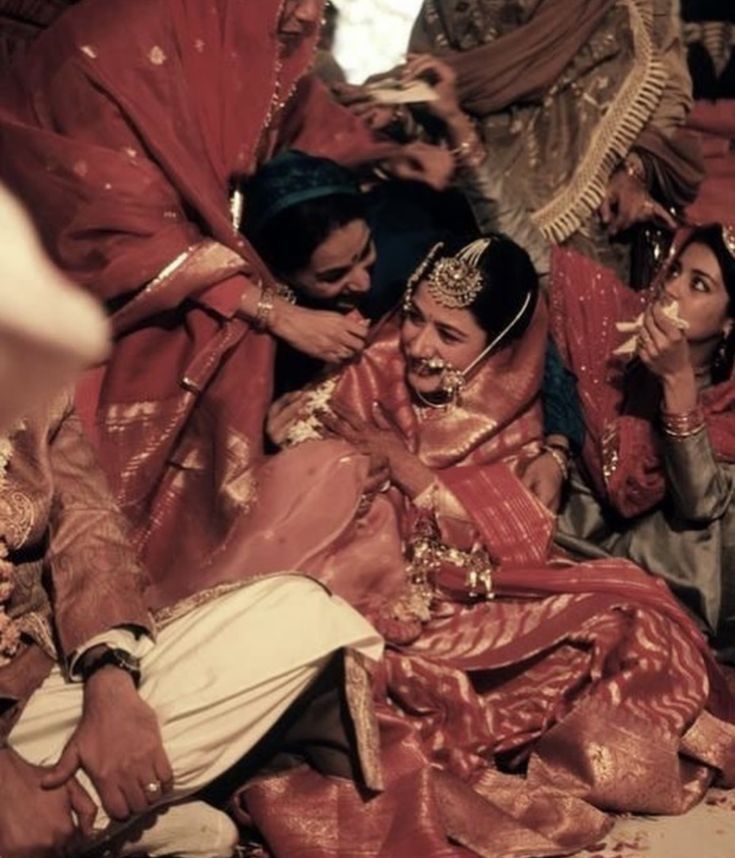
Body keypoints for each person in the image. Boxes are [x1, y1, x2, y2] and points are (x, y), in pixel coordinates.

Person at [187, 234, 735, 856]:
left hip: (480, 586)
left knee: (634, 630)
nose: (419, 345)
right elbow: (305, 479)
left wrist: (415, 473)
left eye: (449, 336)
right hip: (354, 578)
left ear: (498, 347)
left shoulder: (519, 407)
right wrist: (299, 445)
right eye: (416, 317)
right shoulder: (372, 366)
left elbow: (514, 542)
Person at [0, 0, 455, 603]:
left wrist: (380, 152)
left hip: (176, 249)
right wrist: (274, 312)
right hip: (66, 269)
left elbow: (280, 111)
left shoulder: (225, 29)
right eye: (298, 1)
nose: (309, 16)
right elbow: (112, 231)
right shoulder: (114, 54)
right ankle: (143, 566)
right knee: (222, 324)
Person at [0, 390, 382, 858]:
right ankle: (71, 826)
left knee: (299, 614)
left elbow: (88, 532)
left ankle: (66, 816)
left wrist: (111, 684)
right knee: (205, 837)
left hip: (31, 687)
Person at [246, 149, 584, 506]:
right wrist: (274, 444)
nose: (362, 282)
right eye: (333, 276)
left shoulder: (408, 254)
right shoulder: (273, 343)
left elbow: (515, 325)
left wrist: (560, 448)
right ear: (283, 277)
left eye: (363, 253)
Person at [399, 0, 703, 279]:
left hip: (591, 212)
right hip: (465, 200)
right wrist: (399, 114)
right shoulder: (447, 8)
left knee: (579, 325)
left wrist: (637, 170)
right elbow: (427, 86)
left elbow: (668, 89)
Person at [550, 224, 735, 659]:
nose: (672, 290)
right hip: (574, 537)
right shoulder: (616, 331)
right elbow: (544, 266)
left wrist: (677, 383)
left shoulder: (726, 402)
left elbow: (701, 505)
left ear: (730, 322)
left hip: (665, 576)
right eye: (675, 272)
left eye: (699, 285)